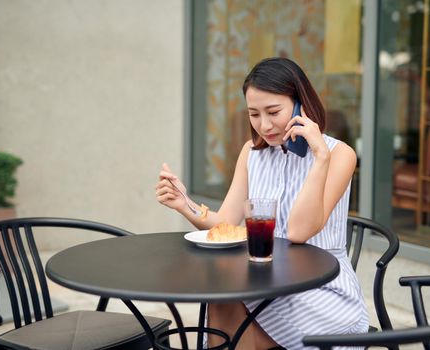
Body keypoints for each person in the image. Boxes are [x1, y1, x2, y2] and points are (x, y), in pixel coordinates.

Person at [155, 57, 369, 350]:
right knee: (222, 296)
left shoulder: (338, 155)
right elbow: (226, 224)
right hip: (264, 280)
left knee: (230, 308)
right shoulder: (252, 153)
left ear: (300, 105)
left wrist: (319, 158)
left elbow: (298, 232)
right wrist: (185, 204)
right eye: (254, 114)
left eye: (273, 112)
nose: (264, 125)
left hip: (318, 288)